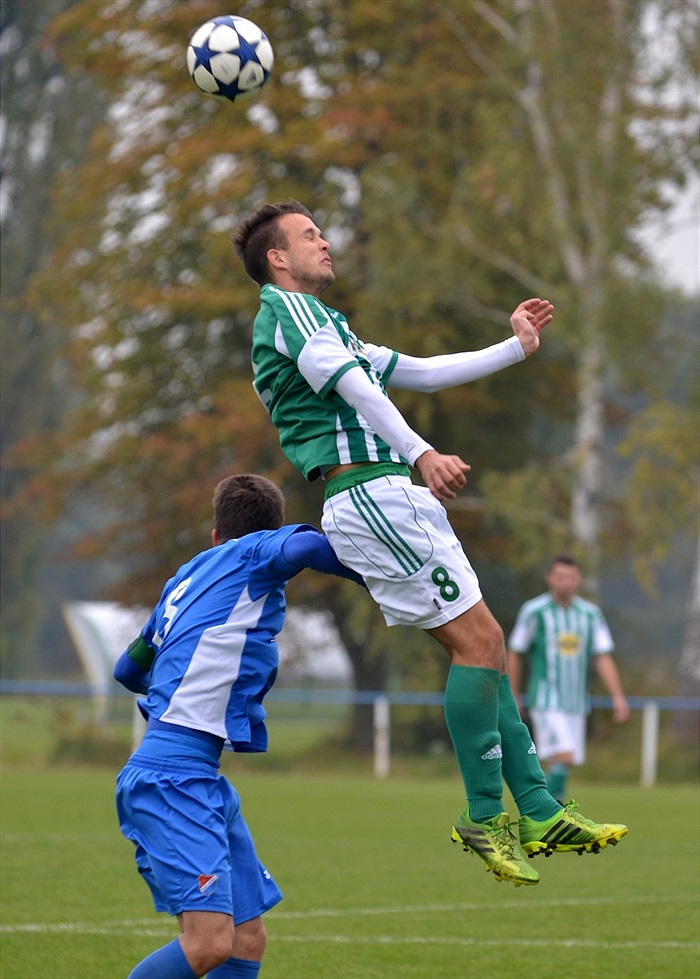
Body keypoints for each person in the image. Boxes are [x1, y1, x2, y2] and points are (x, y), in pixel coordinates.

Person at [231, 199, 628, 888]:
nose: (325, 242)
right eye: (309, 235)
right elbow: (359, 391)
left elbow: (414, 368)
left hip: (383, 496)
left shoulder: (321, 321)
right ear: (277, 258)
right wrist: (421, 452)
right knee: (481, 644)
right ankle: (488, 814)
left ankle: (538, 809)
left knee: (486, 647)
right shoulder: (288, 311)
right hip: (374, 493)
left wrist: (514, 347)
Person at [113, 473, 365, 979]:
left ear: (214, 535)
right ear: (265, 531)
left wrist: (172, 685)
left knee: (247, 940)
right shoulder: (253, 553)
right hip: (171, 781)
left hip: (198, 778)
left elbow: (126, 670)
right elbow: (307, 546)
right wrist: (382, 576)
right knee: (208, 943)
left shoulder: (184, 579)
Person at [507, 554, 630, 802]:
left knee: (560, 761)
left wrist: (618, 697)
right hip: (546, 698)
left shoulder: (590, 614)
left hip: (576, 701)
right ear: (550, 578)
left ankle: (550, 810)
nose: (566, 582)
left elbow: (602, 656)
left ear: (579, 579)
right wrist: (513, 693)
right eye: (560, 577)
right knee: (564, 754)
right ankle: (547, 811)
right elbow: (516, 651)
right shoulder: (535, 611)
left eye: (571, 577)